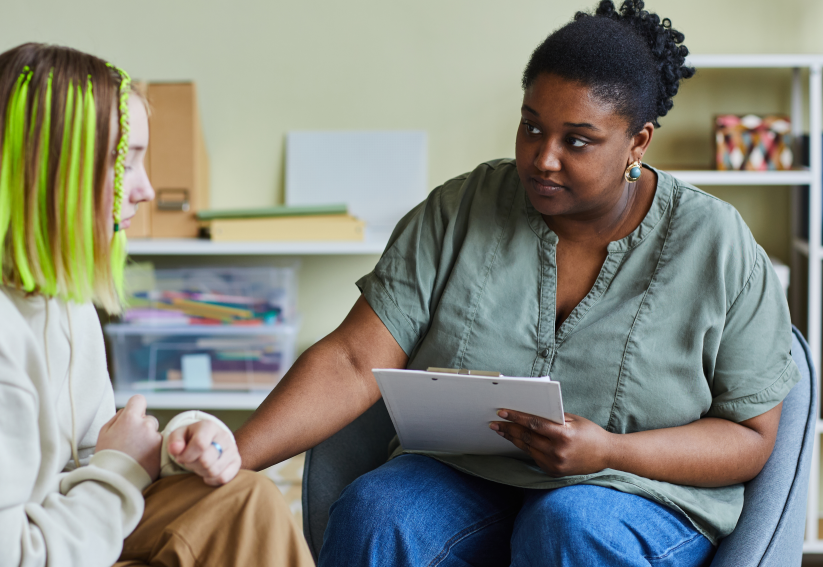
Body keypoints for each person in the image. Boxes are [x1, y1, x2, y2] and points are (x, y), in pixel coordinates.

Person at [235, 1, 797, 566]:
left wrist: (611, 451)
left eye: (577, 141)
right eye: (531, 127)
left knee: (567, 525)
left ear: (637, 142)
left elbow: (750, 437)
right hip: (468, 474)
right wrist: (229, 458)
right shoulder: (460, 210)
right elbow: (353, 359)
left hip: (637, 491)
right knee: (379, 512)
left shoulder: (716, 243)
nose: (543, 158)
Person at [0, 43, 312, 567]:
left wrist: (174, 448)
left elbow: (86, 456)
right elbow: (7, 557)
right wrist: (123, 466)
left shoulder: (54, 295)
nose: (145, 190)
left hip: (50, 532)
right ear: (57, 170)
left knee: (246, 500)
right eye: (129, 161)